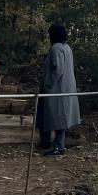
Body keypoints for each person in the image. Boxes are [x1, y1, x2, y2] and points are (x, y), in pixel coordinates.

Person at [37, 24, 81, 157]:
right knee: (53, 115)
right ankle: (46, 142)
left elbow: (58, 69)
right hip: (66, 87)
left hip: (56, 88)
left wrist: (48, 84)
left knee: (58, 117)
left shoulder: (56, 48)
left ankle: (58, 147)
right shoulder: (67, 47)